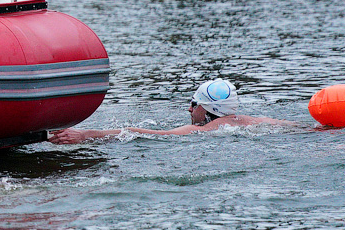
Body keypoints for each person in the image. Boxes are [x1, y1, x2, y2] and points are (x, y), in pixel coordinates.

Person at [48, 79, 297, 144]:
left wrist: (85, 134)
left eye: (193, 103)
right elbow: (302, 129)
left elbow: (145, 133)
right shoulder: (259, 121)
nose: (189, 109)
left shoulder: (203, 130)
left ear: (205, 108)